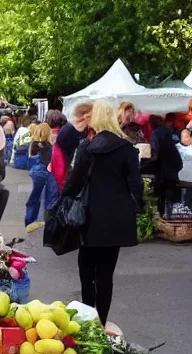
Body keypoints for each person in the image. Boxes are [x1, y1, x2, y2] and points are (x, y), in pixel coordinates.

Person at [60, 102, 142, 324]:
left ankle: (88, 319)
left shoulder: (86, 148)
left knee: (86, 272)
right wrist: (137, 207)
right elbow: (136, 185)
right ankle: (102, 322)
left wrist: (60, 205)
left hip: (88, 218)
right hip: (115, 220)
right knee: (106, 275)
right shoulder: (127, 149)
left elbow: (73, 183)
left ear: (95, 118)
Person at [144, 115, 183, 216]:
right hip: (172, 170)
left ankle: (163, 218)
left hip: (163, 171)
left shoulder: (156, 133)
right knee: (172, 203)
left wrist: (145, 165)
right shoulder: (166, 131)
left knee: (162, 199)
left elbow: (156, 154)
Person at [51, 103, 93, 192]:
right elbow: (72, 153)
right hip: (66, 166)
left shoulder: (75, 127)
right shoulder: (73, 129)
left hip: (66, 165)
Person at [24, 123, 56, 231]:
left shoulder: (34, 144)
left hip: (35, 172)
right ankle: (42, 222)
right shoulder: (48, 146)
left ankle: (29, 221)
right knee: (47, 197)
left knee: (34, 198)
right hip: (44, 172)